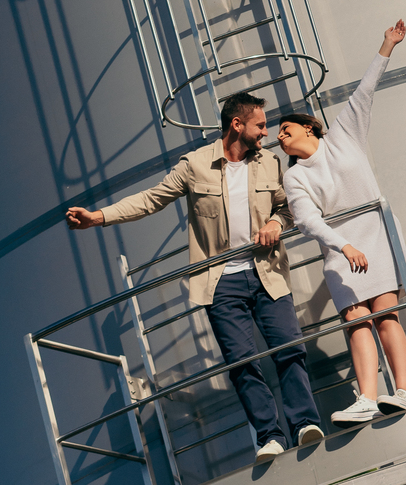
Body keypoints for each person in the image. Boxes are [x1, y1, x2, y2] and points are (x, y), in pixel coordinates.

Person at [66, 91, 324, 463]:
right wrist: (99, 216)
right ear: (237, 124)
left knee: (289, 349)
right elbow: (151, 199)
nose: (267, 133)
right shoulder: (195, 164)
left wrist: (273, 222)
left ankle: (303, 425)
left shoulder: (270, 163)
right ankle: (271, 436)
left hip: (267, 272)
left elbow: (287, 209)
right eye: (261, 125)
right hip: (220, 283)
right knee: (242, 362)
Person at [279, 19, 406, 428]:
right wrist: (343, 246)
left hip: (375, 236)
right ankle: (368, 398)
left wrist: (386, 44)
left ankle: (405, 392)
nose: (281, 138)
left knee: (386, 313)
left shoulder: (344, 135)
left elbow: (365, 92)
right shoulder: (294, 176)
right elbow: (305, 220)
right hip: (341, 249)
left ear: (308, 127)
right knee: (355, 319)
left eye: (286, 130)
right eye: (278, 137)